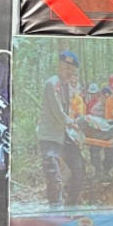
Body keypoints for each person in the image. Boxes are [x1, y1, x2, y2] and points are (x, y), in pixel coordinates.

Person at [37, 50, 86, 208]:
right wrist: (72, 124)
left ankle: (70, 205)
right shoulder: (52, 83)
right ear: (59, 66)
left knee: (79, 168)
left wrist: (81, 125)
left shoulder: (69, 88)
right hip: (50, 136)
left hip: (65, 135)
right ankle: (55, 208)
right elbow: (57, 111)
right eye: (66, 67)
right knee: (54, 175)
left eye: (72, 69)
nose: (68, 72)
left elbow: (72, 111)